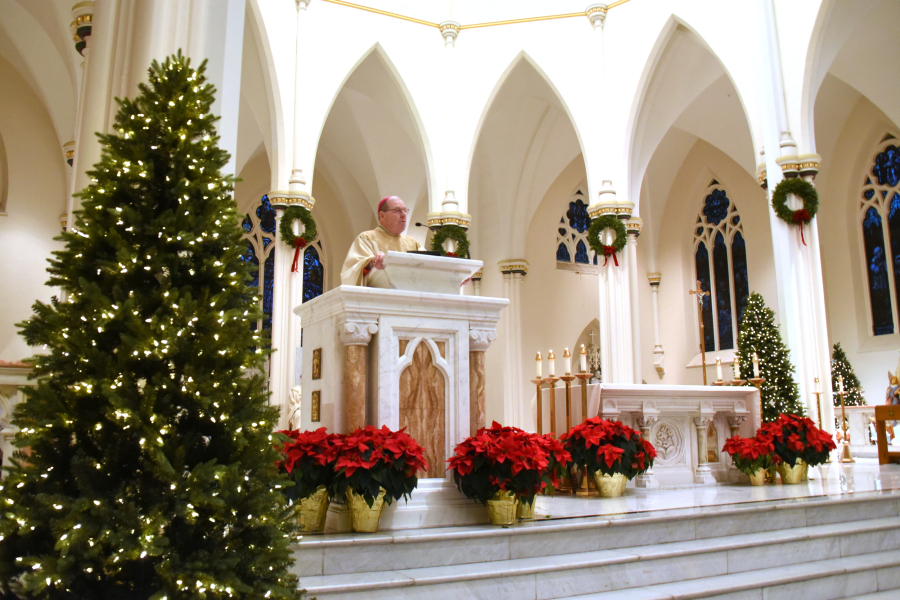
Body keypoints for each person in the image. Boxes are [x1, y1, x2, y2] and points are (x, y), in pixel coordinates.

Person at [340, 196, 424, 287]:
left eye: (405, 210)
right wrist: (372, 262)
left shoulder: (412, 243)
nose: (403, 215)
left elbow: (428, 266)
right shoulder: (367, 238)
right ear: (382, 215)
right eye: (397, 210)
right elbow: (352, 272)